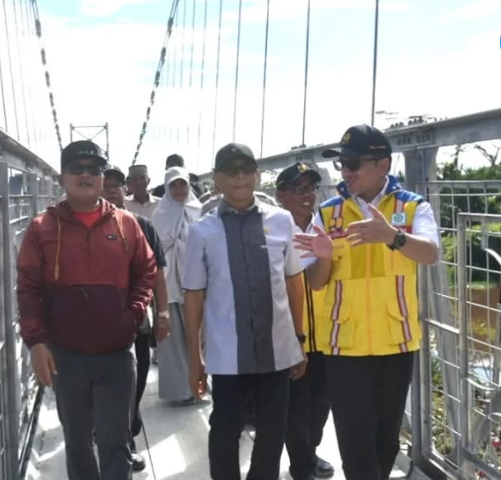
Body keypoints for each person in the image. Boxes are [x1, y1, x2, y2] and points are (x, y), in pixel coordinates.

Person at [295, 124, 440, 480]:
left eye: (354, 163)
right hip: (345, 346)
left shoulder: (412, 207)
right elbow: (316, 282)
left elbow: (431, 254)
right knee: (353, 439)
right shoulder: (328, 214)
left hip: (397, 341)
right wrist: (325, 257)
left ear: (383, 164)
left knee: (386, 438)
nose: (346, 170)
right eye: (342, 163)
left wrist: (391, 237)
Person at [16, 140, 157, 480]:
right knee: (77, 443)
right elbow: (28, 288)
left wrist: (132, 316)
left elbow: (146, 271)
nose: (85, 175)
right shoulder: (41, 227)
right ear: (62, 176)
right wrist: (36, 343)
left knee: (116, 442)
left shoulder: (126, 224)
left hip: (117, 353)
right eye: (76, 168)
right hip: (66, 356)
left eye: (93, 169)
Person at [183, 142, 307, 480]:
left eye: (245, 169)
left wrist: (300, 342)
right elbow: (193, 298)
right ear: (217, 179)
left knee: (273, 429)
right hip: (227, 354)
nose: (239, 176)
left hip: (277, 349)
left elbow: (294, 284)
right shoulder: (202, 232)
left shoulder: (282, 222)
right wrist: (195, 359)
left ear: (256, 175)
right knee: (225, 427)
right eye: (230, 170)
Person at [102, 164, 170, 472]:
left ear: (124, 190)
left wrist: (163, 312)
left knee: (135, 382)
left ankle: (126, 426)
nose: (111, 190)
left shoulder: (143, 225)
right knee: (107, 387)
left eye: (116, 185)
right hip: (93, 327)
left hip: (137, 324)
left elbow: (157, 274)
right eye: (105, 185)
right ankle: (123, 440)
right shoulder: (76, 229)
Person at [274, 162, 335, 480]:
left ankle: (310, 453)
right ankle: (302, 466)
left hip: (327, 336)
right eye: (299, 188)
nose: (307, 195)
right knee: (296, 408)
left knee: (320, 406)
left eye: (311, 187)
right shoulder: (271, 232)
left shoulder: (327, 227)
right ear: (281, 195)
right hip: (290, 337)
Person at [151, 166, 202, 404]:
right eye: (174, 185)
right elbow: (155, 251)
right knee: (174, 341)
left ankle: (200, 384)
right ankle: (180, 391)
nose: (180, 189)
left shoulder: (198, 210)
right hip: (170, 285)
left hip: (197, 283)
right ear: (167, 188)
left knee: (200, 337)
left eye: (183, 184)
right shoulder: (159, 215)